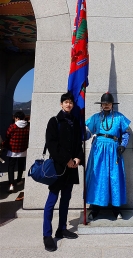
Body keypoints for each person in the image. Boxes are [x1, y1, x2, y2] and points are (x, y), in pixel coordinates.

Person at [43, 92, 84, 252]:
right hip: (58, 168)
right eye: (66, 102)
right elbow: (52, 145)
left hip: (72, 169)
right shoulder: (54, 121)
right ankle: (47, 235)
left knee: (66, 200)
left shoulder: (74, 121)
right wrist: (67, 159)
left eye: (70, 102)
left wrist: (78, 158)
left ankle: (62, 228)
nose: (68, 105)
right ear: (61, 104)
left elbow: (78, 144)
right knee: (51, 201)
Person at [85, 92, 130, 220]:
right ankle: (95, 209)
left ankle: (116, 209)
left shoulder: (119, 117)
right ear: (101, 105)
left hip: (114, 150)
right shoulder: (95, 118)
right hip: (98, 151)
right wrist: (82, 134)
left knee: (115, 178)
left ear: (112, 105)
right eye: (104, 103)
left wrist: (123, 145)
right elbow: (88, 133)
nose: (106, 105)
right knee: (97, 177)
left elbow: (126, 133)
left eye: (108, 103)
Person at [2, 111, 29, 192]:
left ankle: (11, 184)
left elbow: (7, 135)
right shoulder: (28, 126)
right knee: (21, 165)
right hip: (23, 149)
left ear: (17, 118)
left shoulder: (13, 126)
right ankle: (19, 180)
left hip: (13, 149)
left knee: (11, 167)